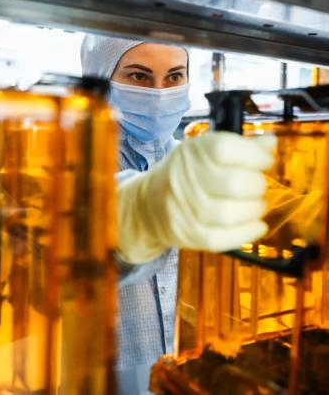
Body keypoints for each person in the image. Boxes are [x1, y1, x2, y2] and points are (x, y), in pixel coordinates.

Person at [80, 35, 275, 394]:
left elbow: (270, 201)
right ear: (100, 81)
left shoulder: (191, 161)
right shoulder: (65, 165)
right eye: (139, 76)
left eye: (174, 76)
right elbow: (44, 254)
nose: (159, 93)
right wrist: (135, 218)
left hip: (187, 372)